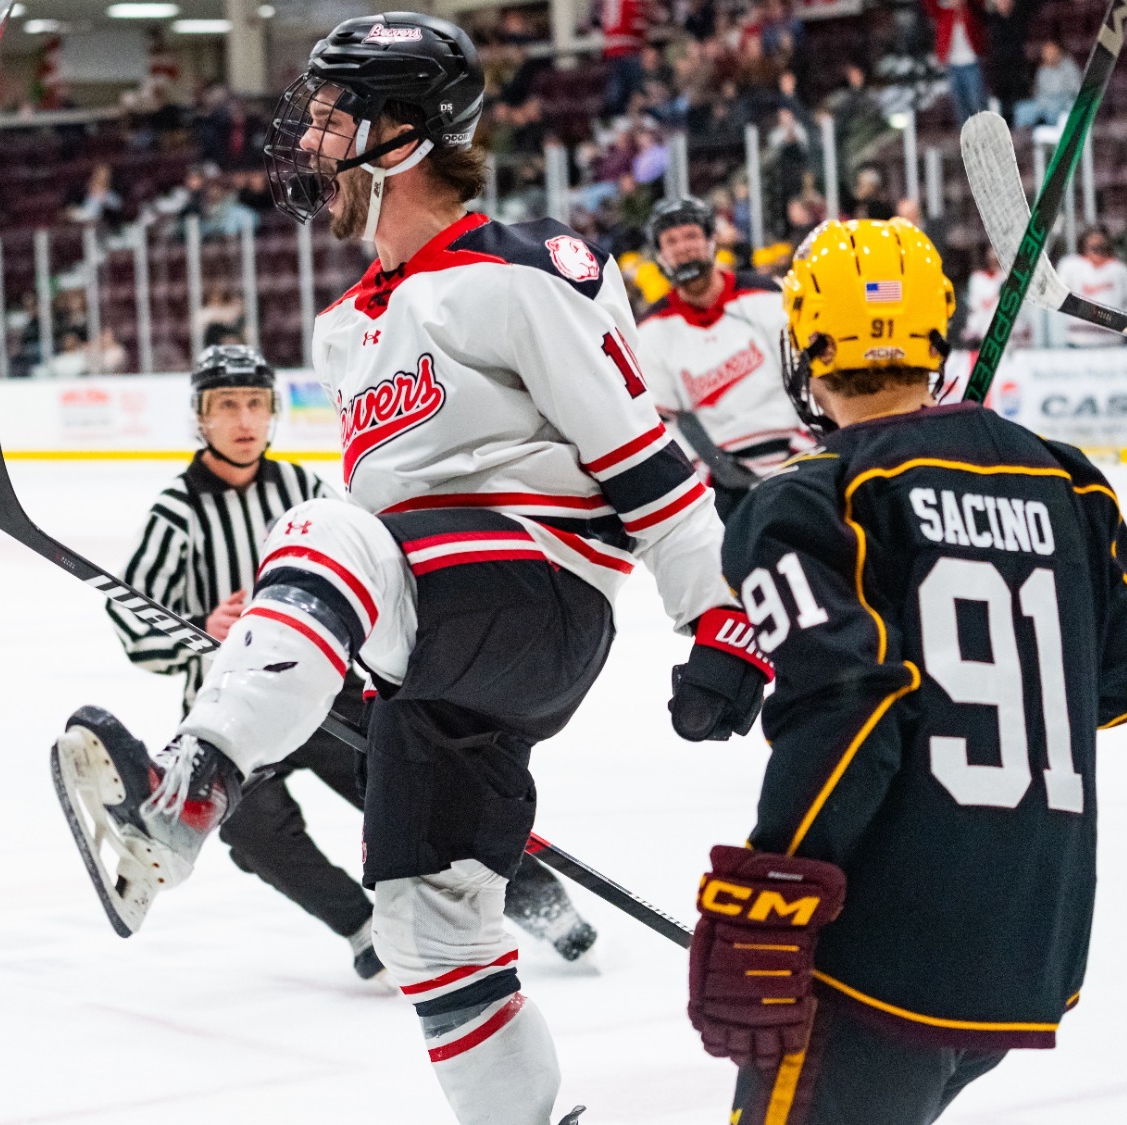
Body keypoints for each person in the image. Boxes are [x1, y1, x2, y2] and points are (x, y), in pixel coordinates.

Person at [51, 14, 772, 1124]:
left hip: (533, 594)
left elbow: (650, 468)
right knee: (426, 920)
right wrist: (306, 641)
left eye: (331, 121)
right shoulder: (348, 329)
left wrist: (720, 623)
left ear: (401, 134)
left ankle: (188, 793)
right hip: (437, 659)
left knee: (327, 526)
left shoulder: (522, 271)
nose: (309, 146)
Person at [687, 218, 1127, 1125]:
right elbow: (1126, 676)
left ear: (802, 349)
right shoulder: (1069, 479)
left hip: (877, 947)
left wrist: (776, 891)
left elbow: (849, 701)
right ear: (937, 338)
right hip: (1030, 937)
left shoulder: (808, 495)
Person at [109, 345, 599, 983]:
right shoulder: (176, 511)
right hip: (232, 711)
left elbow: (371, 563)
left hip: (327, 691)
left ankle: (544, 906)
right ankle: (360, 927)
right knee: (253, 828)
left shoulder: (304, 490)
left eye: (256, 404)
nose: (243, 420)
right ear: (201, 418)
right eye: (226, 405)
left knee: (424, 789)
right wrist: (201, 628)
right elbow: (131, 619)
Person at [633, 196, 816, 519]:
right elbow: (665, 424)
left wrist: (806, 448)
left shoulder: (765, 296)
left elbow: (809, 376)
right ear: (660, 255)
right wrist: (713, 478)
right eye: (671, 241)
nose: (682, 248)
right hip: (724, 480)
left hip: (802, 455)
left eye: (690, 236)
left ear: (711, 241)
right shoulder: (650, 331)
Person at [1053, 226, 1127, 346]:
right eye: (1092, 246)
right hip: (1078, 338)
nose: (1096, 250)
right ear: (1083, 244)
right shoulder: (1071, 265)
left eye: (1100, 246)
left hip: (1113, 341)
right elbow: (1059, 296)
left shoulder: (1120, 269)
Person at [1014, 40, 1083, 128]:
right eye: (1045, 53)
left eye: (1050, 52)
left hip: (1063, 104)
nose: (1047, 55)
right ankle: (1022, 136)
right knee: (1022, 109)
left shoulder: (1069, 67)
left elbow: (1076, 90)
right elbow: (1038, 91)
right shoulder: (1042, 69)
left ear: (1058, 52)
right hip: (1044, 104)